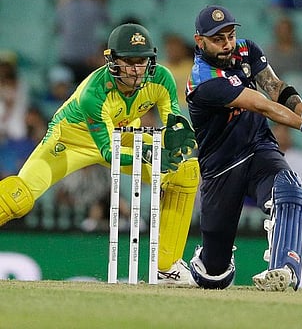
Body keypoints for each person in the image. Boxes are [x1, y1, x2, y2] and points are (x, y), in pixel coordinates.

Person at [0, 23, 199, 284]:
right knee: (18, 198)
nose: (137, 70)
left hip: (124, 133)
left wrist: (178, 134)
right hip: (70, 142)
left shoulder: (160, 77)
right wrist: (149, 154)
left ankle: (166, 268)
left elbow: (172, 118)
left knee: (184, 172)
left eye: (142, 61)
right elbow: (109, 153)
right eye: (129, 62)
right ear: (112, 61)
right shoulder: (94, 93)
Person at [186, 5, 302, 291]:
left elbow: (274, 87)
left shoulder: (247, 50)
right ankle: (207, 264)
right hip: (221, 168)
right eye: (217, 39)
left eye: (230, 35)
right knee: (214, 274)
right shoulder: (204, 79)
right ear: (200, 41)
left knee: (292, 192)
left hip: (259, 148)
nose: (227, 44)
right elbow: (261, 105)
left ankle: (284, 269)